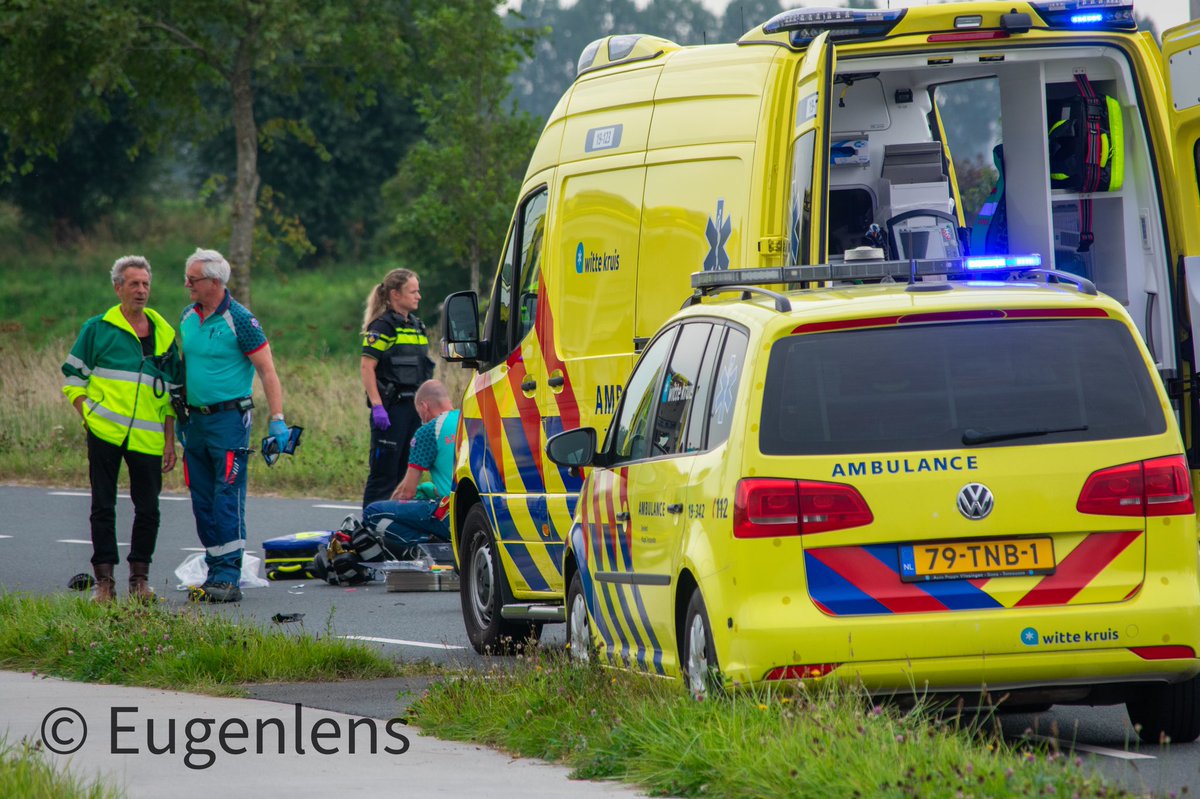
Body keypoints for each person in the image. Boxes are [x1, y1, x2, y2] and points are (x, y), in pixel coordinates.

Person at [61, 255, 182, 603]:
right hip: (105, 433)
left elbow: (173, 394)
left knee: (149, 509)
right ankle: (104, 583)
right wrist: (88, 413)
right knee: (103, 505)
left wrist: (170, 440)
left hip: (148, 435)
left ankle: (139, 580)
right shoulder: (98, 329)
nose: (141, 290)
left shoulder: (164, 334)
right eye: (134, 284)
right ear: (118, 288)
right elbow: (72, 377)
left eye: (145, 284)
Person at [178, 248, 289, 603]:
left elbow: (267, 370)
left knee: (227, 496)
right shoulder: (187, 316)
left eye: (192, 280)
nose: (187, 285)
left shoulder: (240, 319)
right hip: (194, 421)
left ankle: (229, 576)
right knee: (201, 498)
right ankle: (214, 568)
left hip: (229, 420)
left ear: (214, 282)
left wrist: (278, 420)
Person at [360, 268, 435, 508]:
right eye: (413, 291)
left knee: (407, 473)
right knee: (384, 474)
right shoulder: (382, 327)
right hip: (391, 411)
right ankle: (371, 528)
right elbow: (367, 367)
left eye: (418, 291)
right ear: (395, 294)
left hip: (415, 411)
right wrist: (377, 407)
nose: (419, 296)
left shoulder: (417, 326)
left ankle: (394, 528)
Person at [362, 379, 459, 557]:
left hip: (450, 517)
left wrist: (392, 505)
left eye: (419, 413)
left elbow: (407, 492)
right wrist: (433, 490)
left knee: (372, 513)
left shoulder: (429, 431)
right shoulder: (471, 419)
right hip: (479, 513)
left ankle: (429, 546)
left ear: (424, 406)